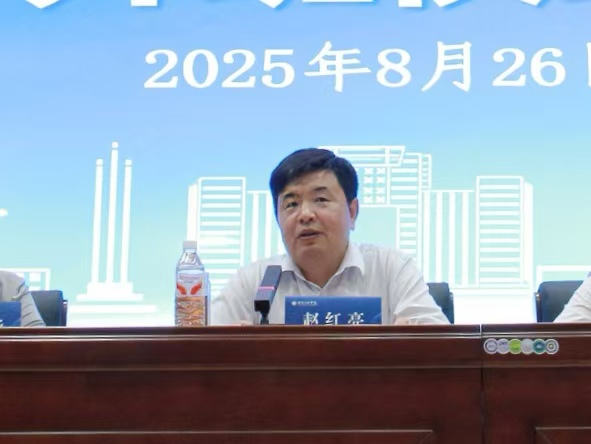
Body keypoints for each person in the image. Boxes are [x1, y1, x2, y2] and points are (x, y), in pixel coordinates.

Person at [211, 148, 449, 325]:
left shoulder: (391, 268)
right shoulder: (254, 281)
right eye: (291, 204)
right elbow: (202, 349)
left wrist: (411, 340)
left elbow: (443, 348)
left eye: (321, 200)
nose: (305, 215)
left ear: (352, 212)